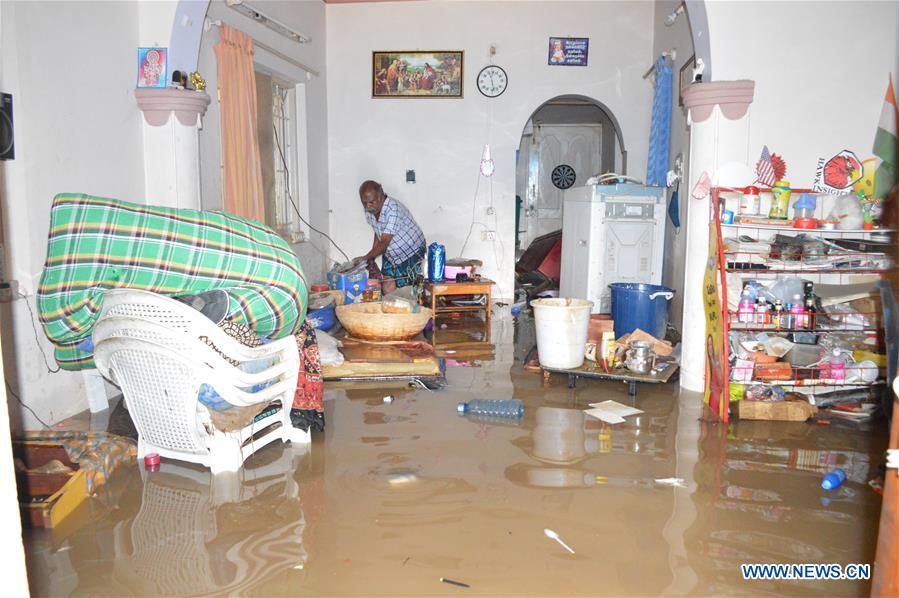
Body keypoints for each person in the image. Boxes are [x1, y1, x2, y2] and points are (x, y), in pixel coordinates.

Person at [355, 180, 426, 294]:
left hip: (411, 252)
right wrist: (371, 257)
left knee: (411, 290)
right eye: (364, 203)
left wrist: (366, 257)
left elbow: (384, 242)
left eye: (371, 202)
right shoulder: (370, 209)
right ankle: (393, 310)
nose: (368, 206)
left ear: (381, 195)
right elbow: (378, 231)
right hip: (391, 254)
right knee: (387, 287)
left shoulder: (393, 209)